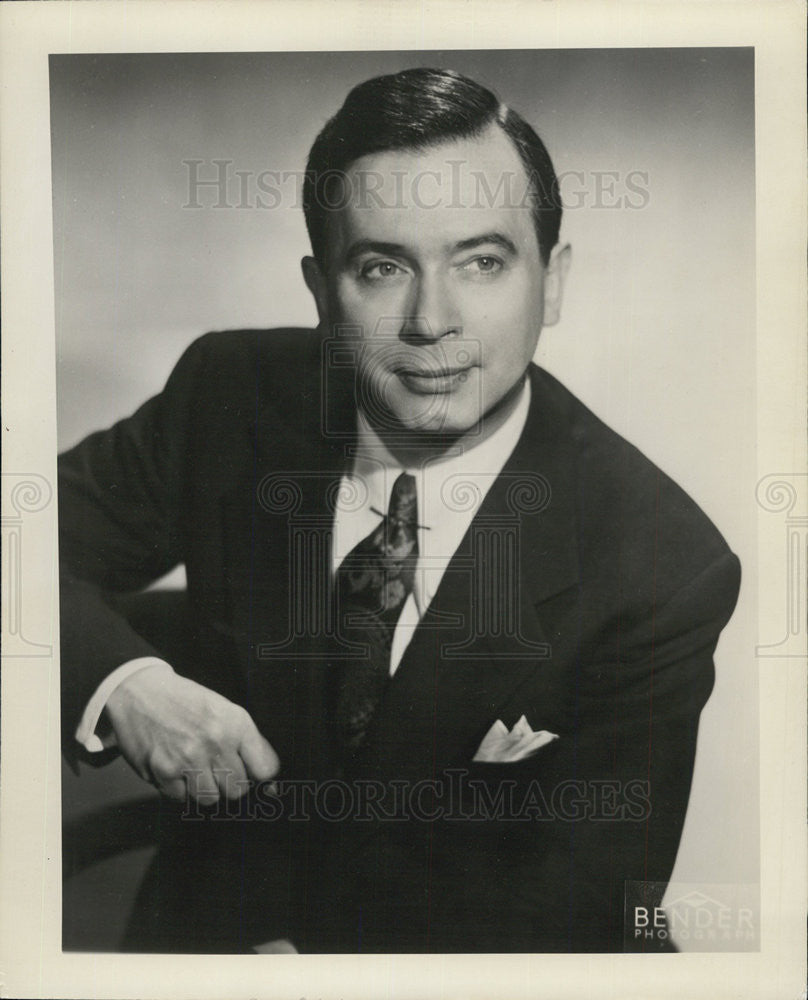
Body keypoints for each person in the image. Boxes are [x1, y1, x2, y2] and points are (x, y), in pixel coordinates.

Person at [59, 67, 741, 954]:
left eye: (483, 262)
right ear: (319, 291)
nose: (432, 320)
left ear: (555, 281)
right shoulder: (227, 396)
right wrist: (126, 687)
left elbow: (577, 916)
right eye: (381, 267)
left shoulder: (661, 565)